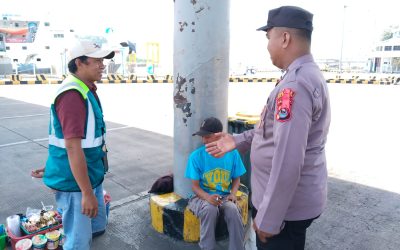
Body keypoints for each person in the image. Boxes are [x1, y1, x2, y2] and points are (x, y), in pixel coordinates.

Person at [206, 6, 331, 250]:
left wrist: (270, 219)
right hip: (291, 206)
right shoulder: (301, 75)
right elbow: (271, 132)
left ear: (285, 38)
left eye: (268, 37)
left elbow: (288, 159)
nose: (267, 46)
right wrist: (236, 140)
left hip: (284, 213)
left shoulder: (295, 85)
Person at [42, 39, 114, 250]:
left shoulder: (85, 89)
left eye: (103, 60)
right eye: (97, 61)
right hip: (76, 183)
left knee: (96, 227)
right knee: (77, 240)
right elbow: (72, 147)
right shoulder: (73, 95)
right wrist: (86, 193)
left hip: (90, 173)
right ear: (79, 63)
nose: (102, 65)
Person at [185, 117, 247, 250]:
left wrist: (232, 194)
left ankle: (237, 247)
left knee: (232, 209)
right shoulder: (196, 156)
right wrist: (208, 197)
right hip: (201, 197)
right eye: (202, 137)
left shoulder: (233, 154)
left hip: (223, 196)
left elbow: (237, 178)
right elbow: (194, 186)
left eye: (207, 137)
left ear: (219, 136)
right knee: (210, 209)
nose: (203, 140)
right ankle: (207, 247)